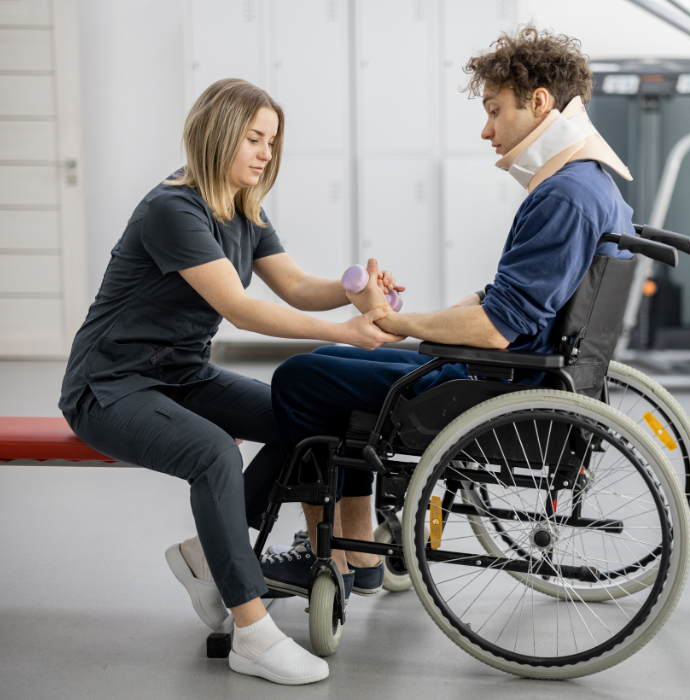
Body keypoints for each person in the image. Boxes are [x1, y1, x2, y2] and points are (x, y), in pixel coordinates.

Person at [263, 25, 635, 602]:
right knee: (332, 357)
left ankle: (333, 554)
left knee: (299, 378)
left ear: (539, 103)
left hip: (493, 386)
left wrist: (403, 325)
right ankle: (356, 548)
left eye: (494, 110)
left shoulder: (561, 196)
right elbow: (510, 300)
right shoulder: (593, 187)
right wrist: (418, 321)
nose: (486, 130)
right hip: (527, 373)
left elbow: (495, 327)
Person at [58, 78, 405, 686]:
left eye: (271, 141)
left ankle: (207, 555)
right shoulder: (173, 208)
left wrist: (354, 291)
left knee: (308, 423)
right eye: (254, 138)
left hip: (182, 374)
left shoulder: (244, 206)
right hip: (109, 384)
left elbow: (295, 286)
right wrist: (344, 332)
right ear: (217, 134)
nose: (266, 153)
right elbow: (243, 310)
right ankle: (251, 631)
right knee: (214, 453)